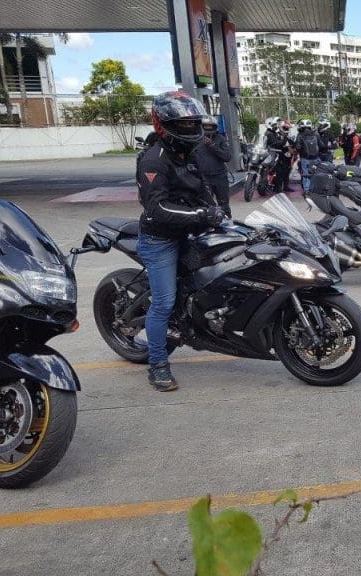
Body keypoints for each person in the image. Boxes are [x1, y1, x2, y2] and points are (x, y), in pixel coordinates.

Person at [136, 91, 225, 392]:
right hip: (160, 239)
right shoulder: (153, 161)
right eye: (183, 123)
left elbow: (202, 189)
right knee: (163, 303)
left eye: (193, 122)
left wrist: (219, 214)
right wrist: (203, 213)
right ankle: (158, 365)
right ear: (163, 125)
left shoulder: (190, 154)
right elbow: (157, 208)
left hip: (190, 232)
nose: (190, 128)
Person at [195, 115, 232, 217]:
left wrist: (212, 146)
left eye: (210, 126)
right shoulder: (195, 139)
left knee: (224, 205)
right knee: (206, 206)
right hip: (203, 178)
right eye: (205, 126)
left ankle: (228, 224)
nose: (207, 128)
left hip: (220, 177)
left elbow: (228, 156)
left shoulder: (220, 138)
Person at [294, 119, 321, 194]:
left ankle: (307, 190)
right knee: (316, 173)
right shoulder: (316, 134)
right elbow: (321, 145)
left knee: (306, 174)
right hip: (316, 158)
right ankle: (316, 188)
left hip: (305, 158)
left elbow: (298, 147)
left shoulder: (300, 135)